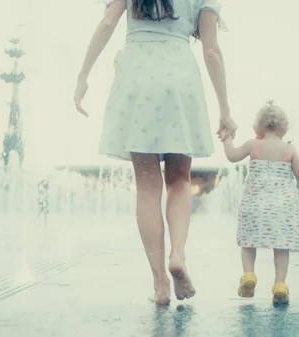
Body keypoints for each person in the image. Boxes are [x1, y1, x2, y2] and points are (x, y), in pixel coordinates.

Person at [74, 0, 237, 305]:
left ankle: (160, 284)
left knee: (148, 187)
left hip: (136, 77)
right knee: (179, 180)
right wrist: (225, 109)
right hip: (179, 78)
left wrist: (83, 76)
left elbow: (108, 23)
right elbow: (212, 51)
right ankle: (178, 254)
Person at [220, 101, 299, 306]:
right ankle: (279, 285)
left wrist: (226, 138)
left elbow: (231, 156)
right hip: (282, 208)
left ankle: (249, 275)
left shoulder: (253, 145)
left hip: (255, 205)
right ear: (283, 128)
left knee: (249, 243)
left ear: (258, 127)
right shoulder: (289, 150)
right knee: (281, 247)